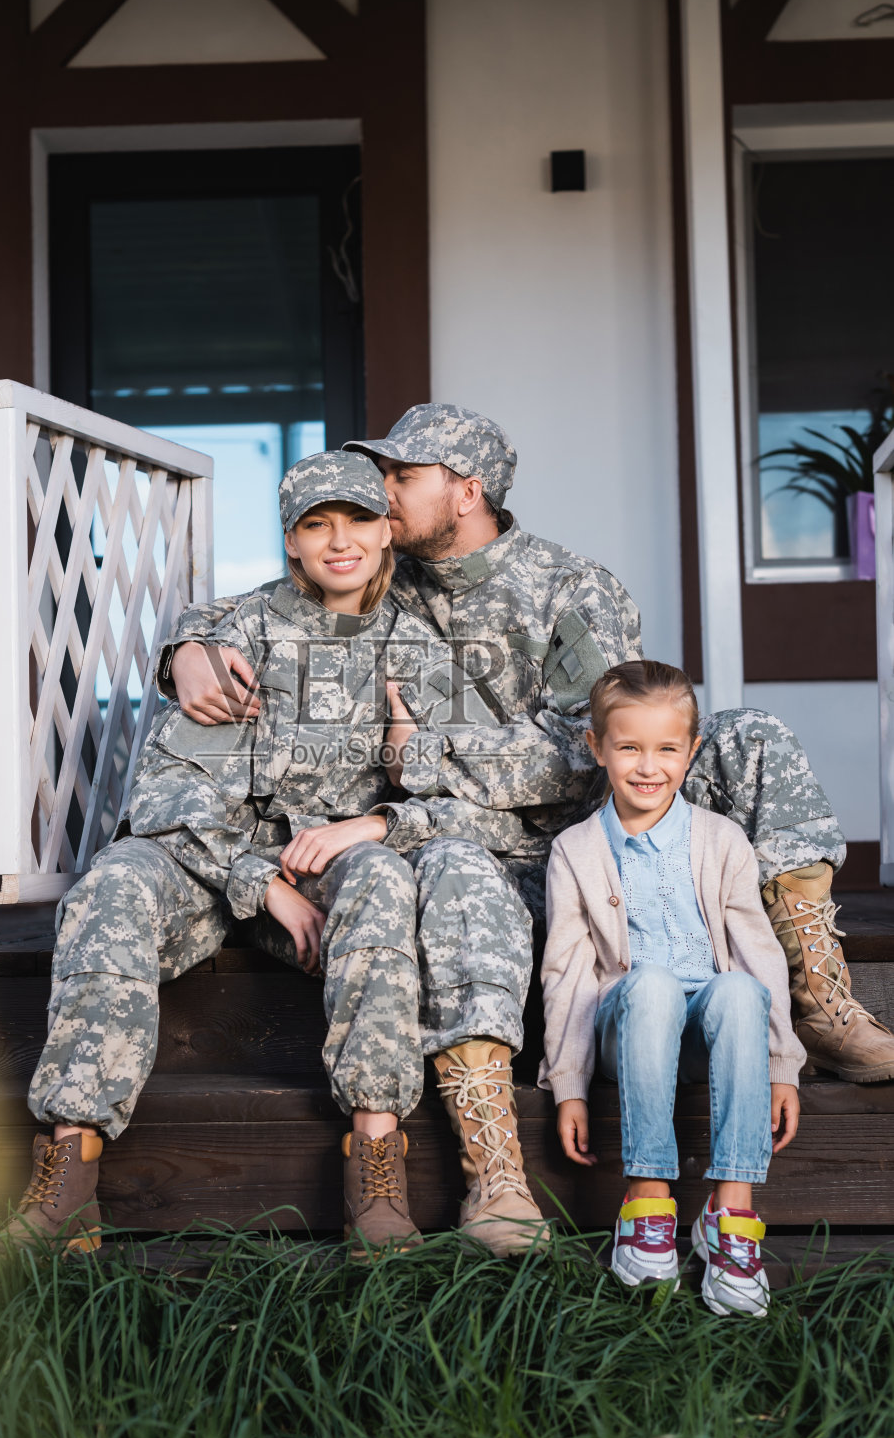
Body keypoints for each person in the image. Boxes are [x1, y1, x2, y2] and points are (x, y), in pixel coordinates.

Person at [162, 403, 894, 1084]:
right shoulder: (382, 571)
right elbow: (266, 602)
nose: (379, 493)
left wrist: (430, 752)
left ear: (466, 492)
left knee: (750, 736)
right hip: (458, 839)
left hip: (580, 835)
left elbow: (586, 752)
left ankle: (822, 1003)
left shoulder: (570, 589)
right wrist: (185, 648)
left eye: (402, 477)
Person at [6, 452, 547, 1260]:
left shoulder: (426, 650)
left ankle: (375, 1159)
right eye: (315, 524)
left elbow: (466, 800)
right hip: (218, 864)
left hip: (337, 873)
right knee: (113, 880)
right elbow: (167, 796)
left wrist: (381, 822)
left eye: (358, 519)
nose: (339, 541)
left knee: (380, 875)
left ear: (386, 530)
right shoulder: (235, 636)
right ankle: (69, 1168)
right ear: (291, 541)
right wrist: (261, 882)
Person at [541, 661, 802, 1317]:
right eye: (629, 747)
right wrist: (568, 1082)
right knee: (651, 984)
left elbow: (758, 954)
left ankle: (731, 1220)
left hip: (714, 1034)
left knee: (741, 989)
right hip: (630, 1024)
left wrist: (780, 1064)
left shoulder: (722, 840)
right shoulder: (576, 850)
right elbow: (567, 972)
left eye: (666, 749)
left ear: (690, 751)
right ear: (598, 748)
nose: (647, 766)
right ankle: (648, 1206)